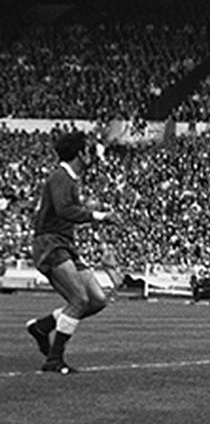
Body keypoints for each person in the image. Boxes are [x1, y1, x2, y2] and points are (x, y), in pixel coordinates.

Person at [25, 130, 121, 375]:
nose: (91, 154)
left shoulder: (70, 179)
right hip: (50, 244)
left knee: (98, 300)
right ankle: (54, 360)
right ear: (80, 153)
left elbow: (67, 211)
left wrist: (92, 217)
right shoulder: (61, 177)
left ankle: (42, 326)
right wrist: (98, 216)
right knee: (79, 299)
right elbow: (65, 210)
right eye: (88, 149)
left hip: (64, 243)